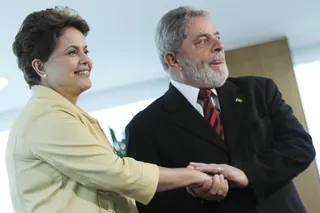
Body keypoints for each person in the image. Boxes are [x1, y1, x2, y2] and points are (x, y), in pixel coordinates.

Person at [5, 6, 228, 213]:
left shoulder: (60, 114)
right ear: (40, 67)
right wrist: (194, 176)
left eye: (85, 51)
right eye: (72, 52)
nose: (86, 61)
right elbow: (119, 174)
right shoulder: (46, 117)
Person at [125, 6, 316, 213]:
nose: (219, 46)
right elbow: (151, 204)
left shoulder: (259, 90)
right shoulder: (144, 127)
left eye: (217, 37)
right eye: (203, 40)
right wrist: (198, 194)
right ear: (173, 59)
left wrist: (247, 174)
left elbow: (300, 147)